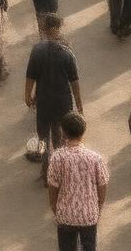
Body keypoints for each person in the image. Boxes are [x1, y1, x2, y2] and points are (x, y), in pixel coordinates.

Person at [25, 14, 82, 183]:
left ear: (43, 29)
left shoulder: (37, 50)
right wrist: (79, 104)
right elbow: (74, 81)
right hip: (63, 101)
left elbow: (31, 76)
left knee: (43, 136)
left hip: (44, 101)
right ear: (58, 28)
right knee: (61, 137)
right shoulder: (67, 51)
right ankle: (60, 171)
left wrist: (28, 94)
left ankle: (45, 170)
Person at [47, 112, 109, 251]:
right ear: (83, 131)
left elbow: (52, 187)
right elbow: (102, 185)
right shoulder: (95, 158)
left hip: (65, 215)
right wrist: (98, 207)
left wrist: (55, 208)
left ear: (63, 132)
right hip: (89, 215)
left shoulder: (57, 157)